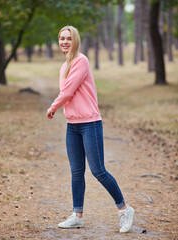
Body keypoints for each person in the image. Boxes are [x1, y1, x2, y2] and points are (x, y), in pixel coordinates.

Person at [46, 26, 134, 233]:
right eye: (61, 38)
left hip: (90, 124)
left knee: (98, 171)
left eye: (68, 38)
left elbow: (67, 91)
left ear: (75, 41)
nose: (65, 42)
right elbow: (68, 93)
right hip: (72, 126)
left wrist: (53, 107)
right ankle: (78, 216)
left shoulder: (81, 61)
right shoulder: (65, 65)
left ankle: (124, 209)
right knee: (76, 172)